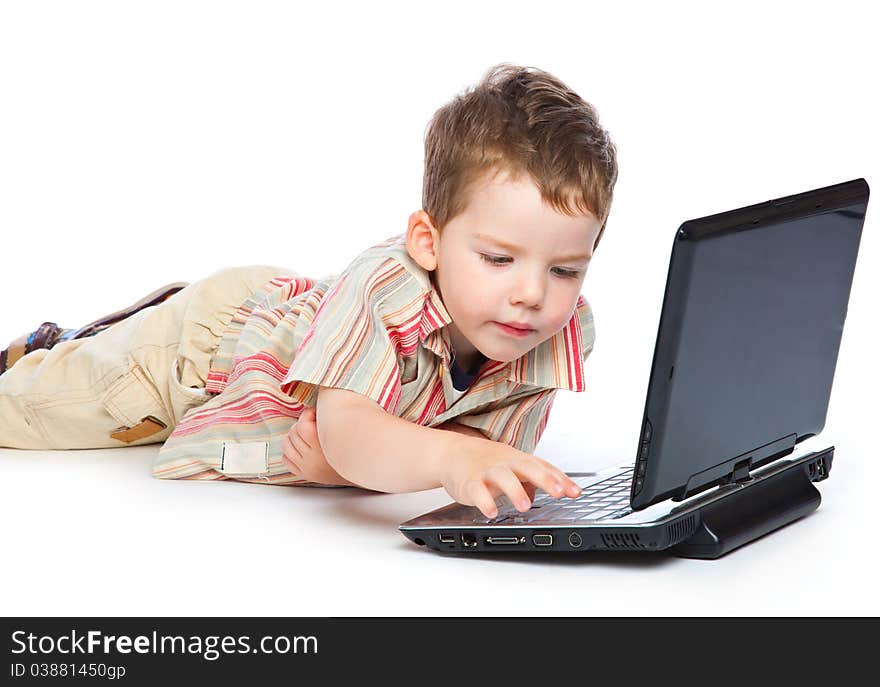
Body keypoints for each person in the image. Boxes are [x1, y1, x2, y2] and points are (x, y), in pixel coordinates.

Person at [0, 62, 618, 520]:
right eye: (498, 258)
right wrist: (391, 466)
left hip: (292, 317)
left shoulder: (557, 329)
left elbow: (482, 445)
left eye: (566, 270)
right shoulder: (386, 287)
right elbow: (357, 435)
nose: (533, 294)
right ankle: (72, 343)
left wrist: (359, 471)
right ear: (429, 242)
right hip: (203, 351)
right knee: (25, 413)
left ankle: (73, 337)